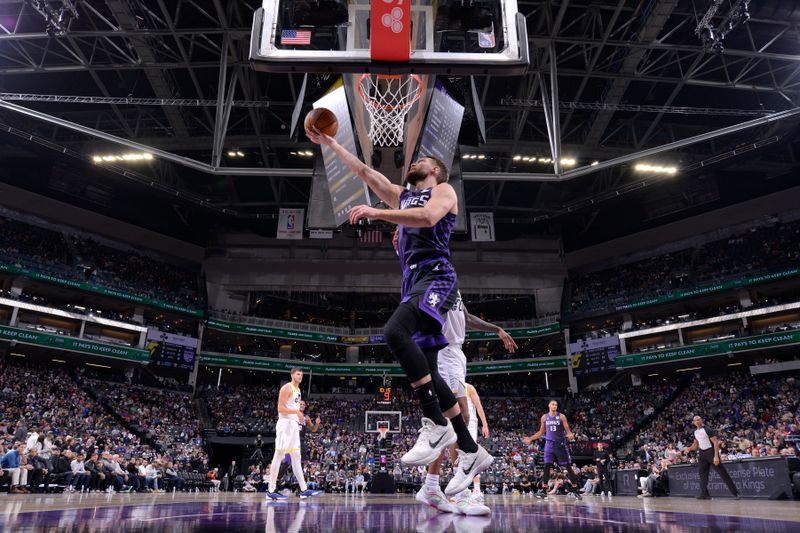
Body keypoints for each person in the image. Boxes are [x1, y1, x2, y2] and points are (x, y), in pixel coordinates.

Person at [308, 126, 492, 496]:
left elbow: (427, 218)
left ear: (435, 170)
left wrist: (378, 213)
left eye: (422, 160)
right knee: (431, 371)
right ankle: (470, 451)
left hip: (437, 277)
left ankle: (434, 422)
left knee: (394, 333)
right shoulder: (404, 196)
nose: (415, 162)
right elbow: (365, 172)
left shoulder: (442, 191)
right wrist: (329, 143)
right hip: (414, 282)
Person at [265, 368, 322, 501]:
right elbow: (280, 408)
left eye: (302, 374)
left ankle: (303, 489)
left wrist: (299, 416)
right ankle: (271, 490)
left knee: (296, 456)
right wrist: (296, 412)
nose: (300, 376)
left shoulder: (298, 391)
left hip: (293, 426)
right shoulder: (287, 388)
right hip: (285, 424)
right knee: (279, 455)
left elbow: (294, 410)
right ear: (292, 375)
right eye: (297, 374)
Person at [523, 400, 583, 500]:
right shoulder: (544, 417)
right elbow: (541, 432)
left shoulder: (562, 416)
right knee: (546, 466)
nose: (554, 406)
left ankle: (575, 489)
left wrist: (570, 435)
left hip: (560, 444)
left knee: (568, 467)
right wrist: (531, 438)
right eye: (553, 404)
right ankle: (544, 490)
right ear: (549, 405)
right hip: (549, 445)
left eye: (556, 404)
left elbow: (568, 431)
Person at [682, 415, 740, 500]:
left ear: (701, 420)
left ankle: (736, 493)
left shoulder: (708, 429)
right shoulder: (695, 432)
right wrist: (689, 449)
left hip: (711, 452)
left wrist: (716, 456)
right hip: (702, 453)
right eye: (695, 420)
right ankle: (704, 494)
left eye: (698, 419)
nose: (697, 421)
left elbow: (716, 442)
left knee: (722, 473)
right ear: (694, 423)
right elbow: (696, 445)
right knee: (702, 474)